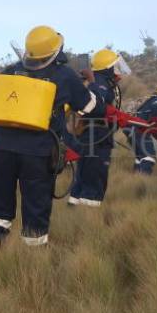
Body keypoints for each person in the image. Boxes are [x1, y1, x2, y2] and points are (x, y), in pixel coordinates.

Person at [0, 25, 106, 246]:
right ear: (57, 51)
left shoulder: (9, 71)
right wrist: (93, 85)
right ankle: (34, 267)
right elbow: (91, 108)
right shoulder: (64, 74)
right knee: (35, 214)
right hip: (37, 154)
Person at [68, 49, 132, 207]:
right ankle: (90, 216)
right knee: (96, 176)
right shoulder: (101, 84)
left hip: (90, 136)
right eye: (115, 66)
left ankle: (74, 207)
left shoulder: (101, 82)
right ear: (108, 68)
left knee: (83, 175)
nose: (118, 70)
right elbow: (97, 105)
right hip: (97, 137)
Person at [127, 85, 157, 174]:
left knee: (140, 158)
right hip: (141, 132)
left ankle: (135, 179)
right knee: (149, 157)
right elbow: (154, 128)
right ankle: (142, 183)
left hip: (132, 131)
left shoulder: (150, 100)